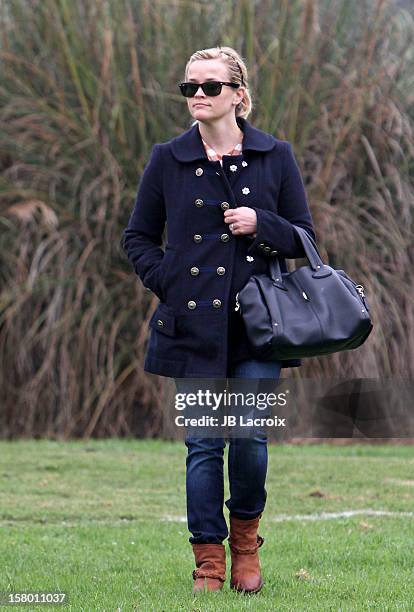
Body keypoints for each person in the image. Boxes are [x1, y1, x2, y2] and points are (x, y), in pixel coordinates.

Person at [121, 45, 316, 594]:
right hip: (192, 326)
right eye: (190, 88)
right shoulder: (169, 158)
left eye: (209, 87)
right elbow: (137, 236)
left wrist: (263, 223)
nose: (198, 97)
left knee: (250, 437)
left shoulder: (275, 155)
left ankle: (247, 543)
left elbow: (306, 236)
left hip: (259, 327)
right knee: (205, 442)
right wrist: (169, 281)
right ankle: (208, 560)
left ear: (238, 94)